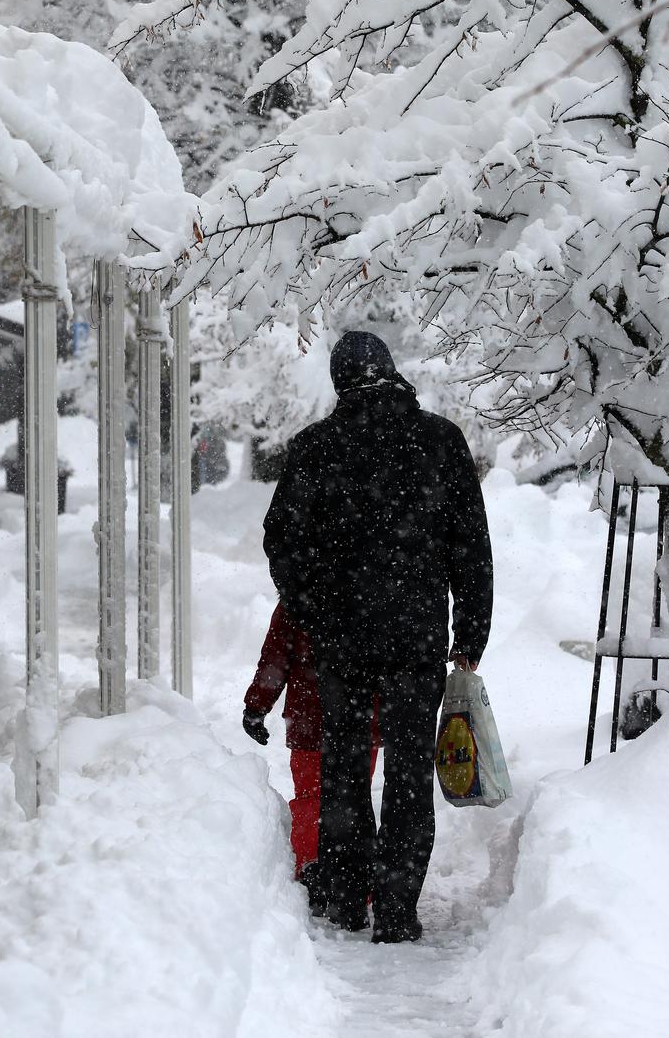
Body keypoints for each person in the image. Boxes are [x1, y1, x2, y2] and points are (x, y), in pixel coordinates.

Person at [263, 330, 492, 943]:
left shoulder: (316, 446)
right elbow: (471, 546)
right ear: (392, 371)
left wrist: (315, 610)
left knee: (344, 768)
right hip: (417, 637)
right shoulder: (439, 441)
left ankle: (345, 897)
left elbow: (281, 541)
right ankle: (396, 907)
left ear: (340, 382)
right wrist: (470, 631)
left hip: (343, 640)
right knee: (410, 773)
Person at [241, 602, 380, 915]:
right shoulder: (374, 586)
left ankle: (312, 866)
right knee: (354, 797)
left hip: (311, 718)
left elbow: (276, 656)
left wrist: (257, 705)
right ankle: (352, 876)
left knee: (311, 798)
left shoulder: (299, 592)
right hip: (360, 718)